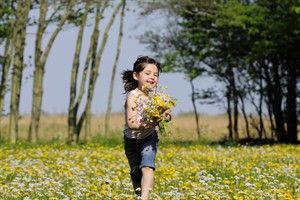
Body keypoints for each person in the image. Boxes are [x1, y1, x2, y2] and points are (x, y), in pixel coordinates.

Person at [122, 56, 171, 199]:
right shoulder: (133, 96)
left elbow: (168, 115)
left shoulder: (157, 97)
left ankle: (145, 198)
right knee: (136, 172)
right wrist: (154, 123)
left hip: (149, 137)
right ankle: (139, 195)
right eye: (148, 73)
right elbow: (132, 123)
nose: (152, 77)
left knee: (147, 167)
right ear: (136, 75)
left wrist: (166, 116)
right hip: (131, 140)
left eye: (156, 75)